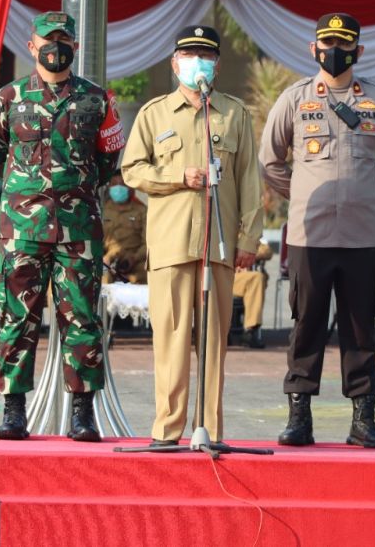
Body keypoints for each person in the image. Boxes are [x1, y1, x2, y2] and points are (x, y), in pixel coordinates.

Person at [259, 12, 375, 449]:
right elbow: (271, 161)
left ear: (358, 51)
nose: (335, 51)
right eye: (328, 43)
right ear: (314, 49)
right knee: (306, 323)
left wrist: (361, 189)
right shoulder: (294, 98)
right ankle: (299, 415)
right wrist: (307, 191)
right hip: (310, 233)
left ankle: (364, 417)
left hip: (362, 234)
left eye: (345, 45)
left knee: (360, 326)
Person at [0, 11, 124, 442]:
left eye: (63, 40)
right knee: (17, 317)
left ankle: (83, 413)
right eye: (48, 40)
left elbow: (107, 161)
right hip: (23, 228)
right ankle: (13, 410)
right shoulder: (7, 100)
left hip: (78, 229)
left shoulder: (98, 101)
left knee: (81, 319)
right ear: (32, 46)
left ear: (75, 48)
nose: (55, 47)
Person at [122, 24, 262, 447]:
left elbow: (250, 181)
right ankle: (167, 430)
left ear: (216, 65)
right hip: (171, 245)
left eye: (205, 55)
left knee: (214, 345)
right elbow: (132, 170)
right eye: (189, 55)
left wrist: (248, 240)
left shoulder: (234, 114)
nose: (196, 62)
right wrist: (178, 176)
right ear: (174, 62)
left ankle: (210, 431)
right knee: (171, 341)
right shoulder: (154, 113)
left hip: (217, 245)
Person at [101, 170, 147, 284]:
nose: (118, 188)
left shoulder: (142, 211)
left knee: (147, 275)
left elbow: (149, 242)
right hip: (107, 260)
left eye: (122, 184)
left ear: (131, 187)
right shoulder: (102, 210)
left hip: (135, 260)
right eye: (114, 184)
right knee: (103, 277)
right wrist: (105, 258)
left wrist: (134, 258)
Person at [232, 239, 273, 349]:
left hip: (243, 278)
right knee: (256, 279)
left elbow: (266, 250)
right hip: (225, 275)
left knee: (257, 278)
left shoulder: (251, 233)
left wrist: (246, 255)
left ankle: (250, 331)